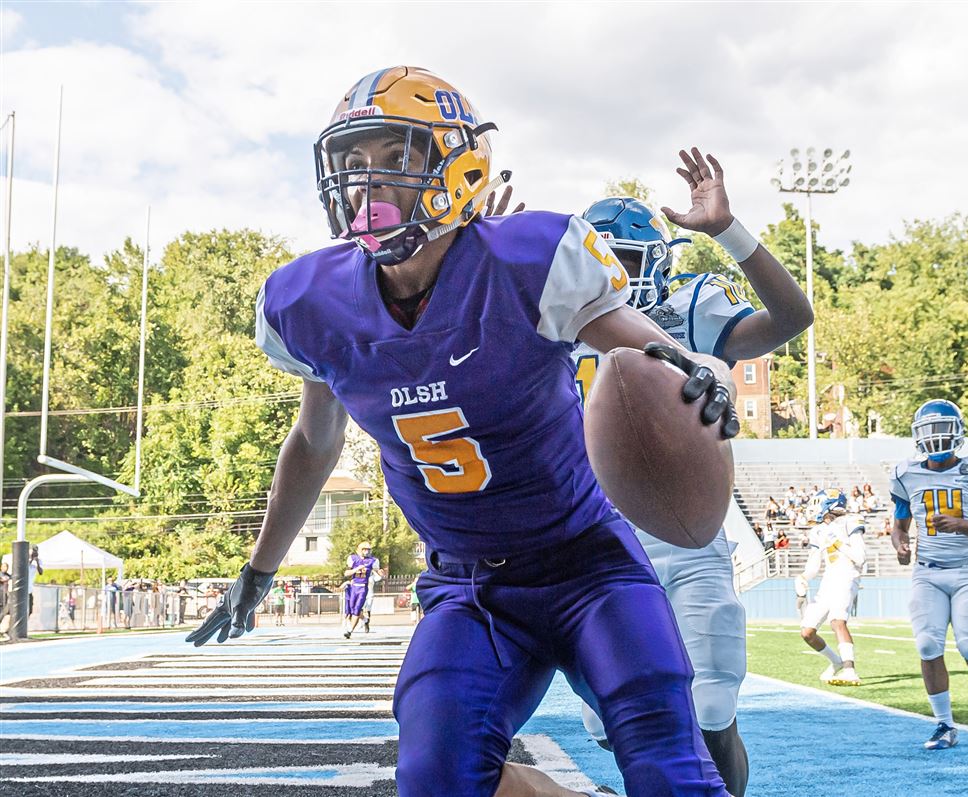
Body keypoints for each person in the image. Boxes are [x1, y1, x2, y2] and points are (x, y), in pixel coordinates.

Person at [185, 66, 803, 797]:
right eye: (352, 161)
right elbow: (315, 442)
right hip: (468, 586)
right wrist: (259, 569)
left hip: (588, 565)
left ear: (460, 166)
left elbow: (644, 349)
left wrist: (694, 370)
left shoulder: (527, 259)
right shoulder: (311, 302)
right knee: (436, 780)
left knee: (670, 768)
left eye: (393, 156)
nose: (365, 181)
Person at [564, 170, 807, 796]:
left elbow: (792, 317)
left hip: (689, 532)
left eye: (626, 261)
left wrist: (728, 231)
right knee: (611, 720)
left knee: (712, 704)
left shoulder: (689, 308)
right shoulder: (553, 319)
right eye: (603, 261)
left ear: (657, 262)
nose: (615, 277)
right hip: (597, 539)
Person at [890, 399, 968, 751]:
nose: (937, 437)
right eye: (931, 430)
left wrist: (960, 525)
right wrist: (900, 545)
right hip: (927, 572)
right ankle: (944, 724)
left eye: (943, 429)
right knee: (927, 645)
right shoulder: (906, 473)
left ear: (957, 432)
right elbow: (899, 526)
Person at [798, 492, 866, 686]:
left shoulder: (850, 521)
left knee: (837, 621)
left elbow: (860, 557)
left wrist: (837, 542)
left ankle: (850, 670)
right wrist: (803, 577)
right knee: (807, 632)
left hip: (847, 574)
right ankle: (836, 662)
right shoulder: (818, 531)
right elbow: (814, 565)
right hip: (828, 579)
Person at [342, 542, 378, 639]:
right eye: (364, 549)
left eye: (368, 549)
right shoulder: (353, 558)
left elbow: (378, 572)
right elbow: (346, 573)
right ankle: (365, 619)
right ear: (359, 550)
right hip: (353, 587)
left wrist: (380, 573)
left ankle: (349, 631)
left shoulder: (372, 560)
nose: (367, 551)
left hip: (363, 587)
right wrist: (356, 569)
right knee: (351, 608)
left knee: (357, 609)